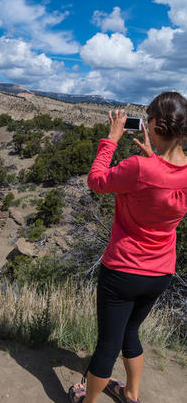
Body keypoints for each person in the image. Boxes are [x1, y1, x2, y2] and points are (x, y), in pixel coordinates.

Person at [68, 91, 187, 403]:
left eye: (147, 118)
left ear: (156, 124)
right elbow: (165, 183)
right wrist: (155, 157)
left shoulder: (138, 168)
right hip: (160, 273)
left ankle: (87, 400)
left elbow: (97, 180)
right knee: (131, 333)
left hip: (123, 269)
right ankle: (130, 394)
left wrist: (111, 138)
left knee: (108, 344)